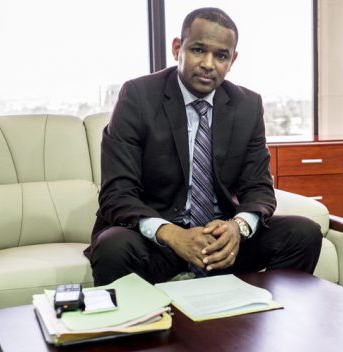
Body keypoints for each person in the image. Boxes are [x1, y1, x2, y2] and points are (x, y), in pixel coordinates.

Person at [85, 7, 322, 286]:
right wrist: (173, 235)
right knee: (113, 247)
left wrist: (238, 227)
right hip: (159, 240)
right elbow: (117, 194)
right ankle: (143, 329)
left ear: (232, 60)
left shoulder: (247, 105)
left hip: (221, 240)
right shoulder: (138, 96)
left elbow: (258, 188)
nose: (209, 64)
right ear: (177, 48)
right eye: (198, 50)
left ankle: (253, 316)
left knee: (303, 233)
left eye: (221, 55)